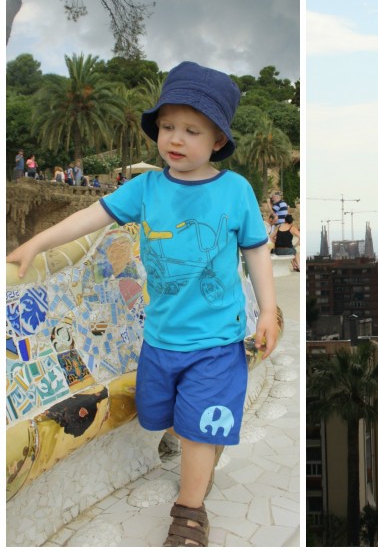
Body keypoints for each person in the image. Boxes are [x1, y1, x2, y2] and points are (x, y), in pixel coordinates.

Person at [7, 61, 278, 548]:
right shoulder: (147, 187)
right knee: (161, 415)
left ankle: (190, 511)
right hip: (160, 339)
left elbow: (257, 250)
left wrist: (270, 310)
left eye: (192, 130)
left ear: (218, 139)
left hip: (217, 342)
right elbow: (89, 217)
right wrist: (36, 244)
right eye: (167, 127)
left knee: (197, 431)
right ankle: (200, 443)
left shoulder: (234, 190)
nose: (175, 138)